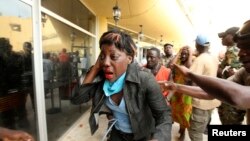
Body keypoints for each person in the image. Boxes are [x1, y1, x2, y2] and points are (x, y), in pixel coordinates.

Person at [71, 30, 172, 141]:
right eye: (103, 56)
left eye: (113, 56)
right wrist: (95, 68)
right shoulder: (101, 78)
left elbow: (164, 115)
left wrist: (158, 138)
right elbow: (77, 99)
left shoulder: (144, 79)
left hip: (142, 136)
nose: (105, 63)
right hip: (117, 134)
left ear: (129, 58)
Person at [160, 20, 250, 125]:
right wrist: (175, 86)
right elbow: (212, 91)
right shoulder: (244, 72)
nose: (240, 54)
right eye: (240, 48)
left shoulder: (199, 60)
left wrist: (190, 75)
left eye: (247, 47)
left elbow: (239, 97)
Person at [179, 34, 220, 141]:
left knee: (194, 132)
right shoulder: (213, 58)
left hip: (200, 102)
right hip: (211, 100)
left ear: (197, 45)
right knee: (201, 127)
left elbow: (190, 79)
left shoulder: (200, 60)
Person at [217, 26, 246, 125]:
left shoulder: (234, 50)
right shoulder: (230, 51)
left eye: (224, 36)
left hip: (232, 95)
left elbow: (229, 72)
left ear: (231, 36)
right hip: (228, 93)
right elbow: (221, 70)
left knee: (231, 122)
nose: (222, 38)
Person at [169, 46, 193, 141]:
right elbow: (171, 64)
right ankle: (180, 128)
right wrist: (179, 52)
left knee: (184, 113)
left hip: (185, 92)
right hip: (175, 91)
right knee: (175, 111)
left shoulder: (189, 63)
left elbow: (189, 66)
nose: (183, 55)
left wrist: (190, 53)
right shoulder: (178, 63)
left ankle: (183, 132)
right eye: (182, 53)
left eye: (185, 54)